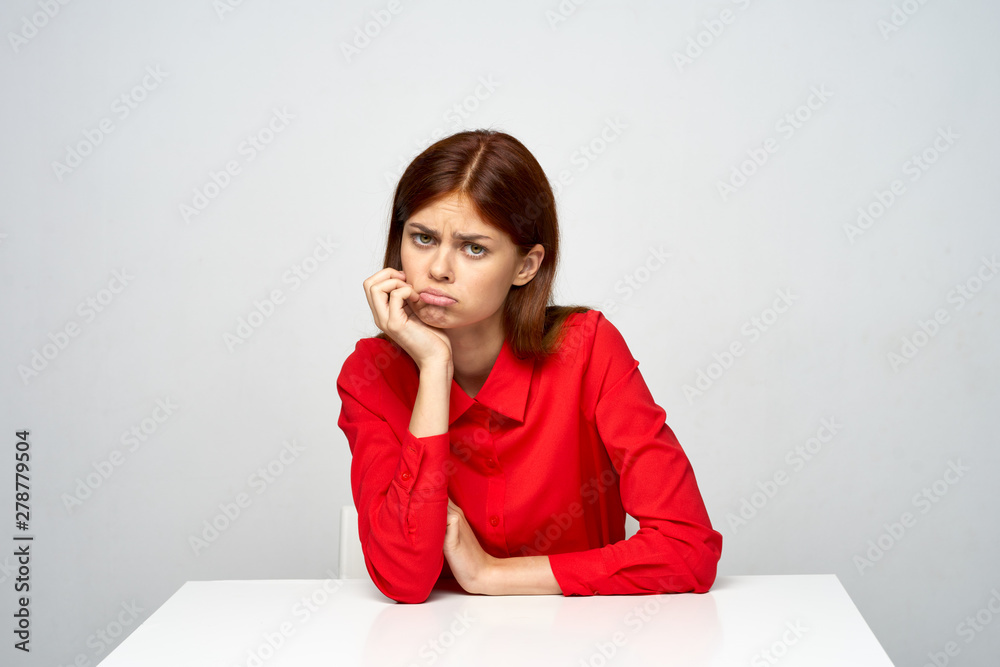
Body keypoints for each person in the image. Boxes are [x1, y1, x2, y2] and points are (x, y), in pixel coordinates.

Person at [337, 129, 722, 604]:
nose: (438, 268)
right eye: (422, 238)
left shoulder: (588, 349)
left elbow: (688, 549)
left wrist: (492, 576)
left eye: (473, 248)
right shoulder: (370, 374)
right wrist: (435, 365)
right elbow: (403, 580)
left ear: (526, 266)